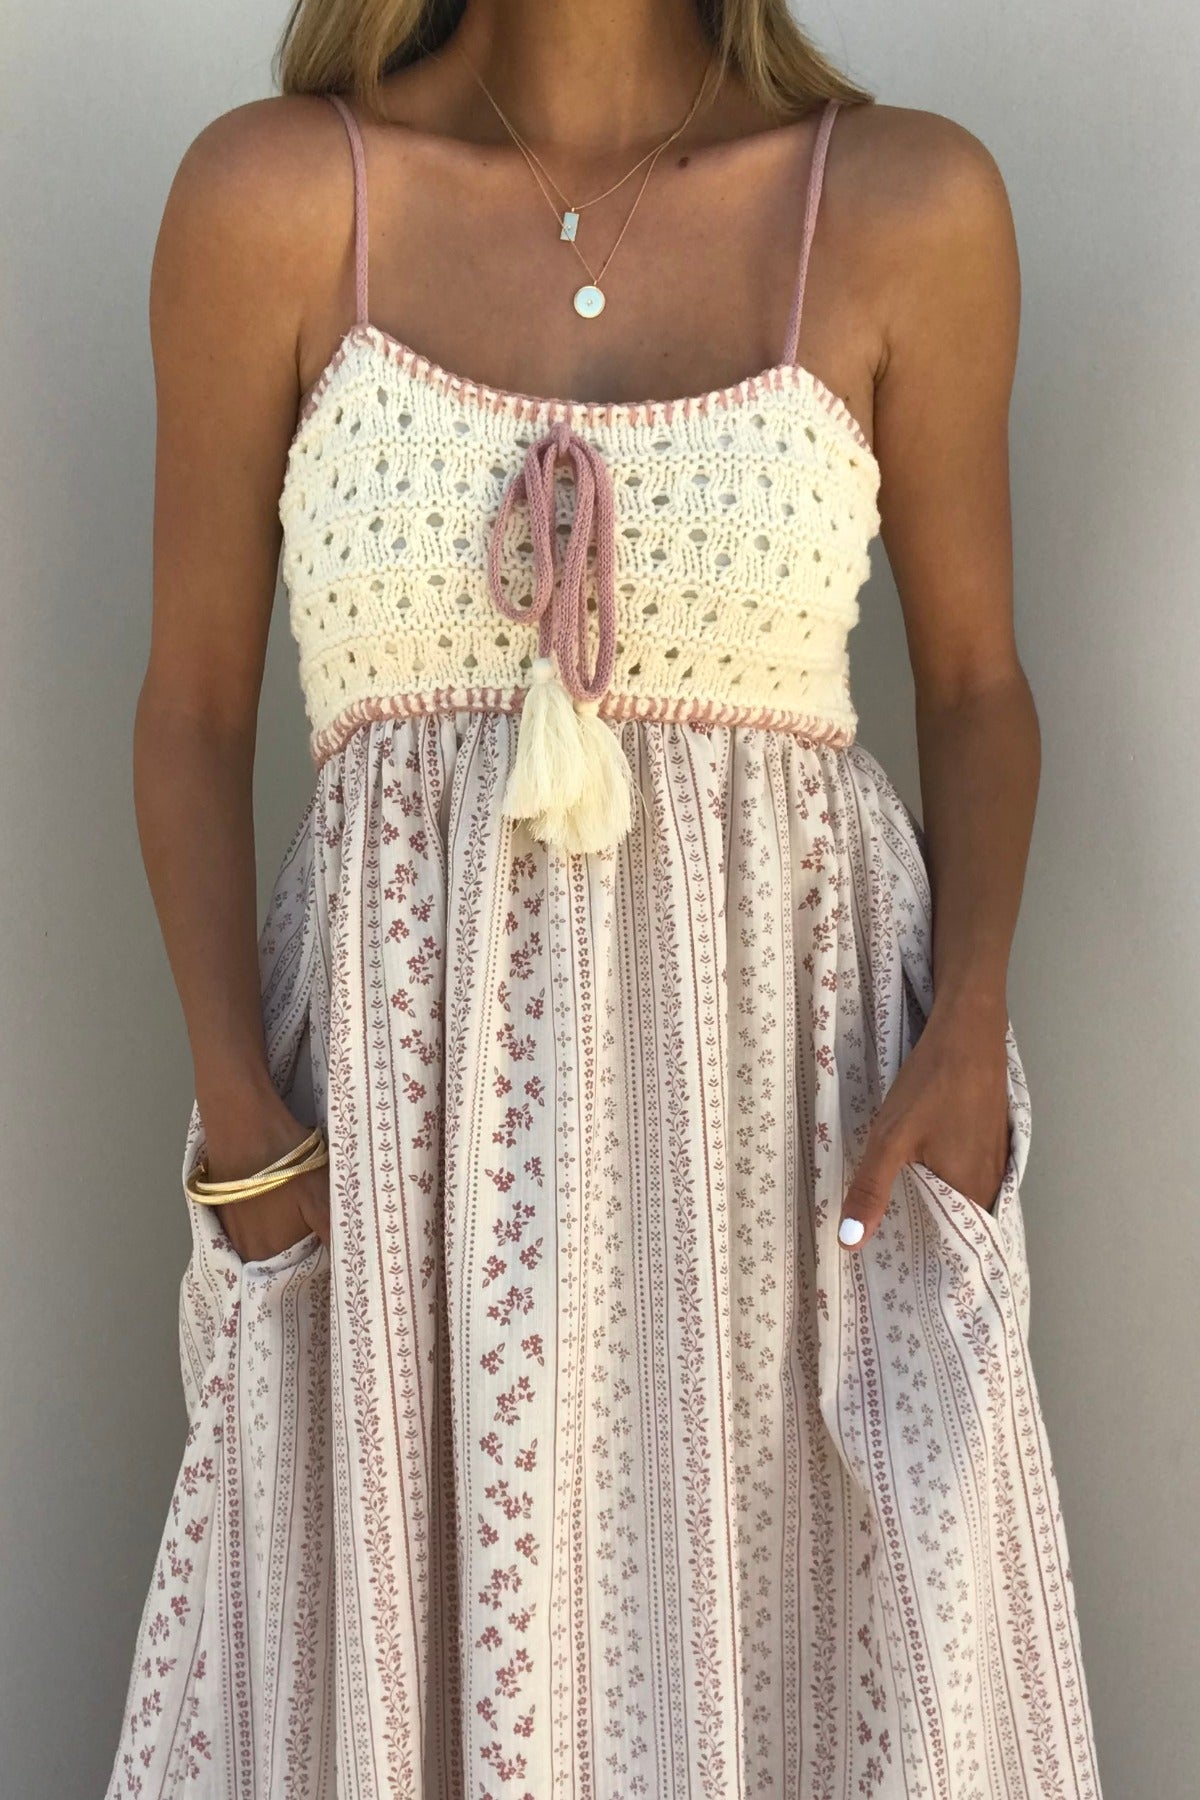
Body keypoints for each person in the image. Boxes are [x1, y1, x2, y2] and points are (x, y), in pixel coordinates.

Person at [105, 1, 1103, 1794]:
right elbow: (189, 709)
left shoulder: (900, 202)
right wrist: (239, 1115)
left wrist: (972, 1025)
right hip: (398, 1147)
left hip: (790, 1136)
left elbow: (976, 684)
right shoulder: (273, 198)